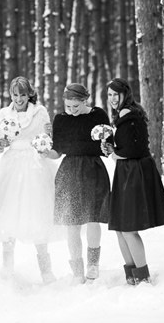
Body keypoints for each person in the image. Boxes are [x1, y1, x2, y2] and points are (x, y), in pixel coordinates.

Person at [101, 78, 164, 285]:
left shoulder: (129, 115)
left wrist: (115, 154)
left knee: (128, 228)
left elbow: (135, 150)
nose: (113, 99)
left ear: (125, 94)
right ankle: (132, 275)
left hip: (134, 173)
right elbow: (127, 145)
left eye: (116, 94)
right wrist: (111, 147)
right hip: (127, 171)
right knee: (121, 228)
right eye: (110, 95)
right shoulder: (124, 115)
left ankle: (142, 277)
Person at [0, 76, 57, 283]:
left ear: (29, 95)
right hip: (11, 166)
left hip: (34, 165)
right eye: (15, 94)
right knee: (8, 214)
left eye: (23, 94)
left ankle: (46, 271)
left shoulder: (40, 111)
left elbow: (47, 137)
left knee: (37, 214)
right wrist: (1, 143)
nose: (19, 99)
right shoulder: (4, 114)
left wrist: (44, 146)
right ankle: (7, 270)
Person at [41, 83, 111, 282]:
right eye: (68, 106)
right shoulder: (61, 120)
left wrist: (107, 145)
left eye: (76, 107)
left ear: (85, 101)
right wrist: (47, 153)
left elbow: (107, 142)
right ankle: (77, 269)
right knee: (71, 223)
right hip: (69, 171)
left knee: (92, 218)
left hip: (92, 169)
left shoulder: (98, 115)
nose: (71, 111)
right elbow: (58, 151)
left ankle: (93, 264)